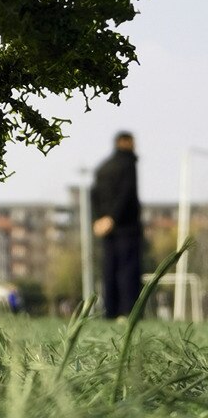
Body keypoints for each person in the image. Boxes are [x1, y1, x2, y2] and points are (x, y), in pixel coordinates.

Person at [91, 131, 143, 319]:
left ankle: (110, 312)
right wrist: (112, 218)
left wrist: (99, 219)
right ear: (125, 142)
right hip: (126, 227)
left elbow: (93, 194)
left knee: (109, 270)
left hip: (105, 227)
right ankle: (128, 312)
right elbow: (126, 193)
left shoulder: (103, 168)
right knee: (128, 271)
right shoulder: (128, 164)